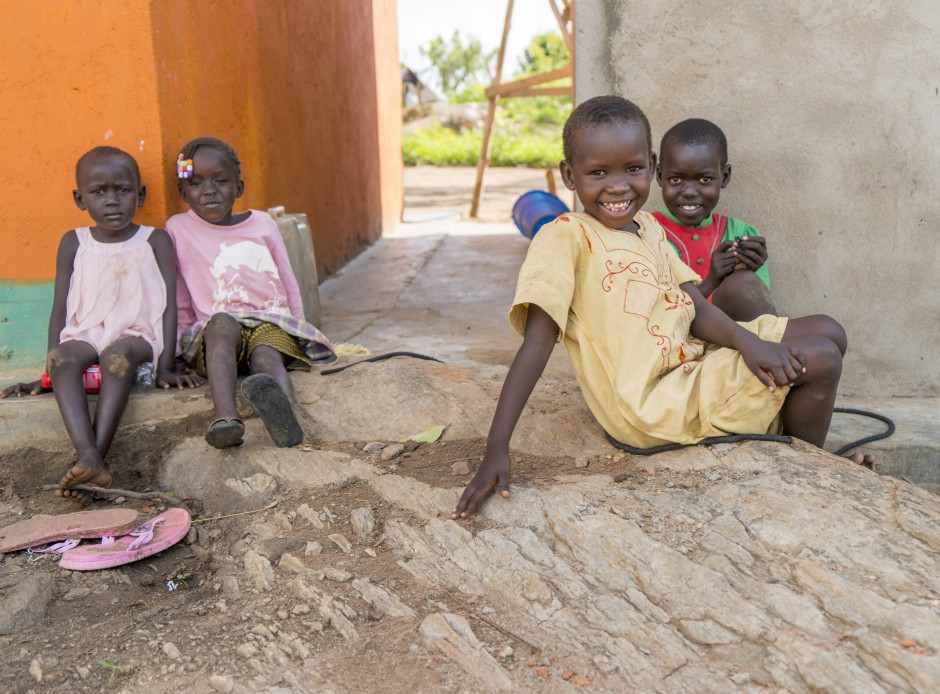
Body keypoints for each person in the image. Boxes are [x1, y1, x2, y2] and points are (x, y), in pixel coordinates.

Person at [453, 96, 870, 519]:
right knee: (821, 357)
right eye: (598, 173)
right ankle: (809, 466)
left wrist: (748, 344)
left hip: (687, 364)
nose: (618, 187)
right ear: (569, 176)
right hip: (652, 403)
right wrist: (496, 448)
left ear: (651, 166)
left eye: (632, 169)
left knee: (830, 329)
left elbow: (693, 305)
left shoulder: (649, 227)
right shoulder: (565, 237)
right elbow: (537, 345)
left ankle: (789, 435)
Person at [0, 146, 201, 503]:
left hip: (139, 334)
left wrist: (166, 365)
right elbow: (59, 310)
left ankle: (95, 457)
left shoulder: (155, 240)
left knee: (116, 357)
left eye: (122, 191)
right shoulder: (72, 243)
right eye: (98, 192)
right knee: (62, 358)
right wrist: (46, 374)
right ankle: (91, 460)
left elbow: (169, 305)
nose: (112, 201)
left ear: (140, 195)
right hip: (86, 332)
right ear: (80, 199)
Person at [167, 137, 335, 449]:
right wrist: (180, 347)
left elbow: (288, 280)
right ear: (182, 193)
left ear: (239, 187)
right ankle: (227, 419)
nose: (209, 190)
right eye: (196, 183)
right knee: (220, 324)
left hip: (270, 323)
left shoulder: (262, 223)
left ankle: (285, 418)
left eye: (220, 181)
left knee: (266, 356)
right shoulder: (178, 229)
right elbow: (179, 293)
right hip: (216, 332)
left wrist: (302, 328)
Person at [653, 118, 775, 322]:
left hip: (737, 339)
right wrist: (711, 281)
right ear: (659, 175)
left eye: (704, 179)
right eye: (675, 179)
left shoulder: (742, 234)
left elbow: (758, 310)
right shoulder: (646, 232)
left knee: (828, 334)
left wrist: (749, 273)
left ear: (725, 176)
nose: (690, 192)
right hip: (673, 343)